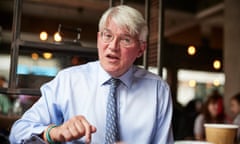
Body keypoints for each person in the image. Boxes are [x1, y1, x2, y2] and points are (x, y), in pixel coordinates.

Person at [9, 5, 173, 144]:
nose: (113, 46)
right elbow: (18, 132)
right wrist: (54, 132)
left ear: (141, 49)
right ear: (98, 39)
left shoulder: (158, 90)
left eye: (125, 40)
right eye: (108, 36)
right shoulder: (68, 80)